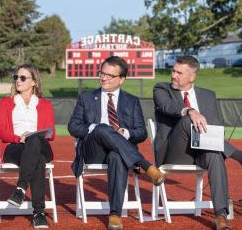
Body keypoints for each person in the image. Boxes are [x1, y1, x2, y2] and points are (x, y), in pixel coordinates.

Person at [68, 56, 166, 230]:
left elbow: (141, 132)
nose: (103, 78)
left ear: (121, 79)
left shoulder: (132, 101)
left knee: (116, 156)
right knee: (102, 128)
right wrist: (95, 129)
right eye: (101, 73)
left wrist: (126, 133)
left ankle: (115, 214)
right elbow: (73, 127)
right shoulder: (87, 98)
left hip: (119, 152)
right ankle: (146, 166)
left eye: (109, 75)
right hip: (93, 150)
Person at [153, 55, 242, 230]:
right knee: (188, 120)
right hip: (175, 152)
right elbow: (166, 107)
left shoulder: (208, 96)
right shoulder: (162, 89)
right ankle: (238, 155)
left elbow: (214, 130)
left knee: (214, 156)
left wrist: (215, 146)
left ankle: (220, 216)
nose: (173, 75)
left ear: (192, 76)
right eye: (173, 70)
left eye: (179, 72)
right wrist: (190, 110)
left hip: (202, 151)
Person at [0, 64, 55, 229]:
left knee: (35, 140)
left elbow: (51, 134)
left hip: (41, 145)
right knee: (39, 160)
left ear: (34, 82)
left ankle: (20, 188)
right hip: (15, 147)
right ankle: (39, 213)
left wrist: (32, 136)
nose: (18, 81)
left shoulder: (45, 105)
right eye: (16, 77)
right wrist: (18, 138)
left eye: (23, 78)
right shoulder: (6, 103)